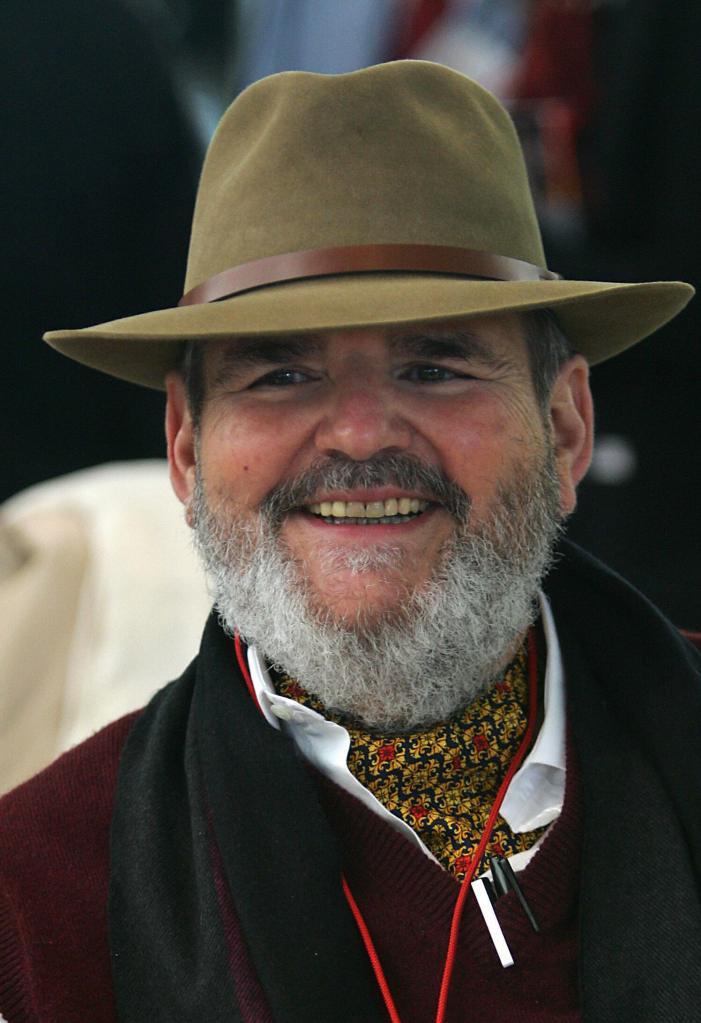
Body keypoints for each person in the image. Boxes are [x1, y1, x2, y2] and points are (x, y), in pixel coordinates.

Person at [1, 60, 699, 1023]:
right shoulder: (40, 894)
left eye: (434, 365)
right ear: (187, 445)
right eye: (281, 376)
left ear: (566, 427)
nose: (360, 433)